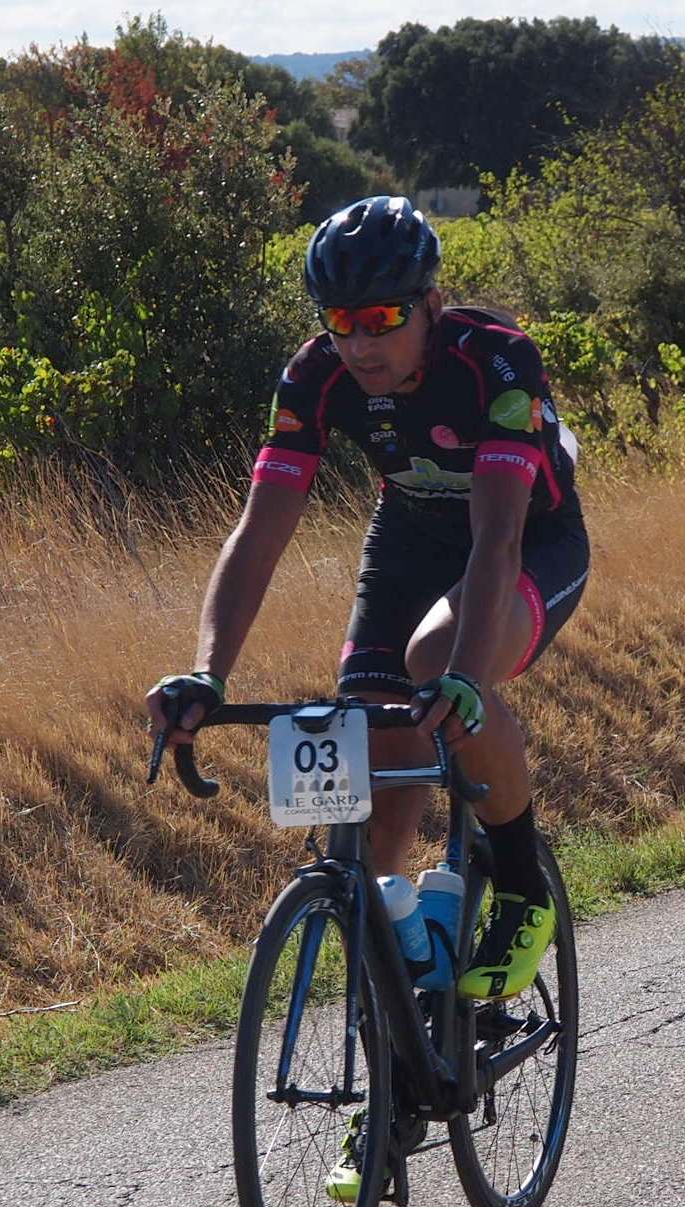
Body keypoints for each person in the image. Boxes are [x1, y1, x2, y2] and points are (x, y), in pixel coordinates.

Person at [146, 194, 588, 1001]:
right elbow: (258, 534)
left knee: (437, 662)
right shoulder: (313, 376)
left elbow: (497, 538)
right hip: (409, 542)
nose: (359, 343)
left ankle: (523, 889)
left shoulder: (496, 361)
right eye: (340, 321)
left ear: (432, 305)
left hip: (528, 539)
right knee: (373, 769)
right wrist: (208, 672)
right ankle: (404, 1029)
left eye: (382, 317)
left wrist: (464, 676)